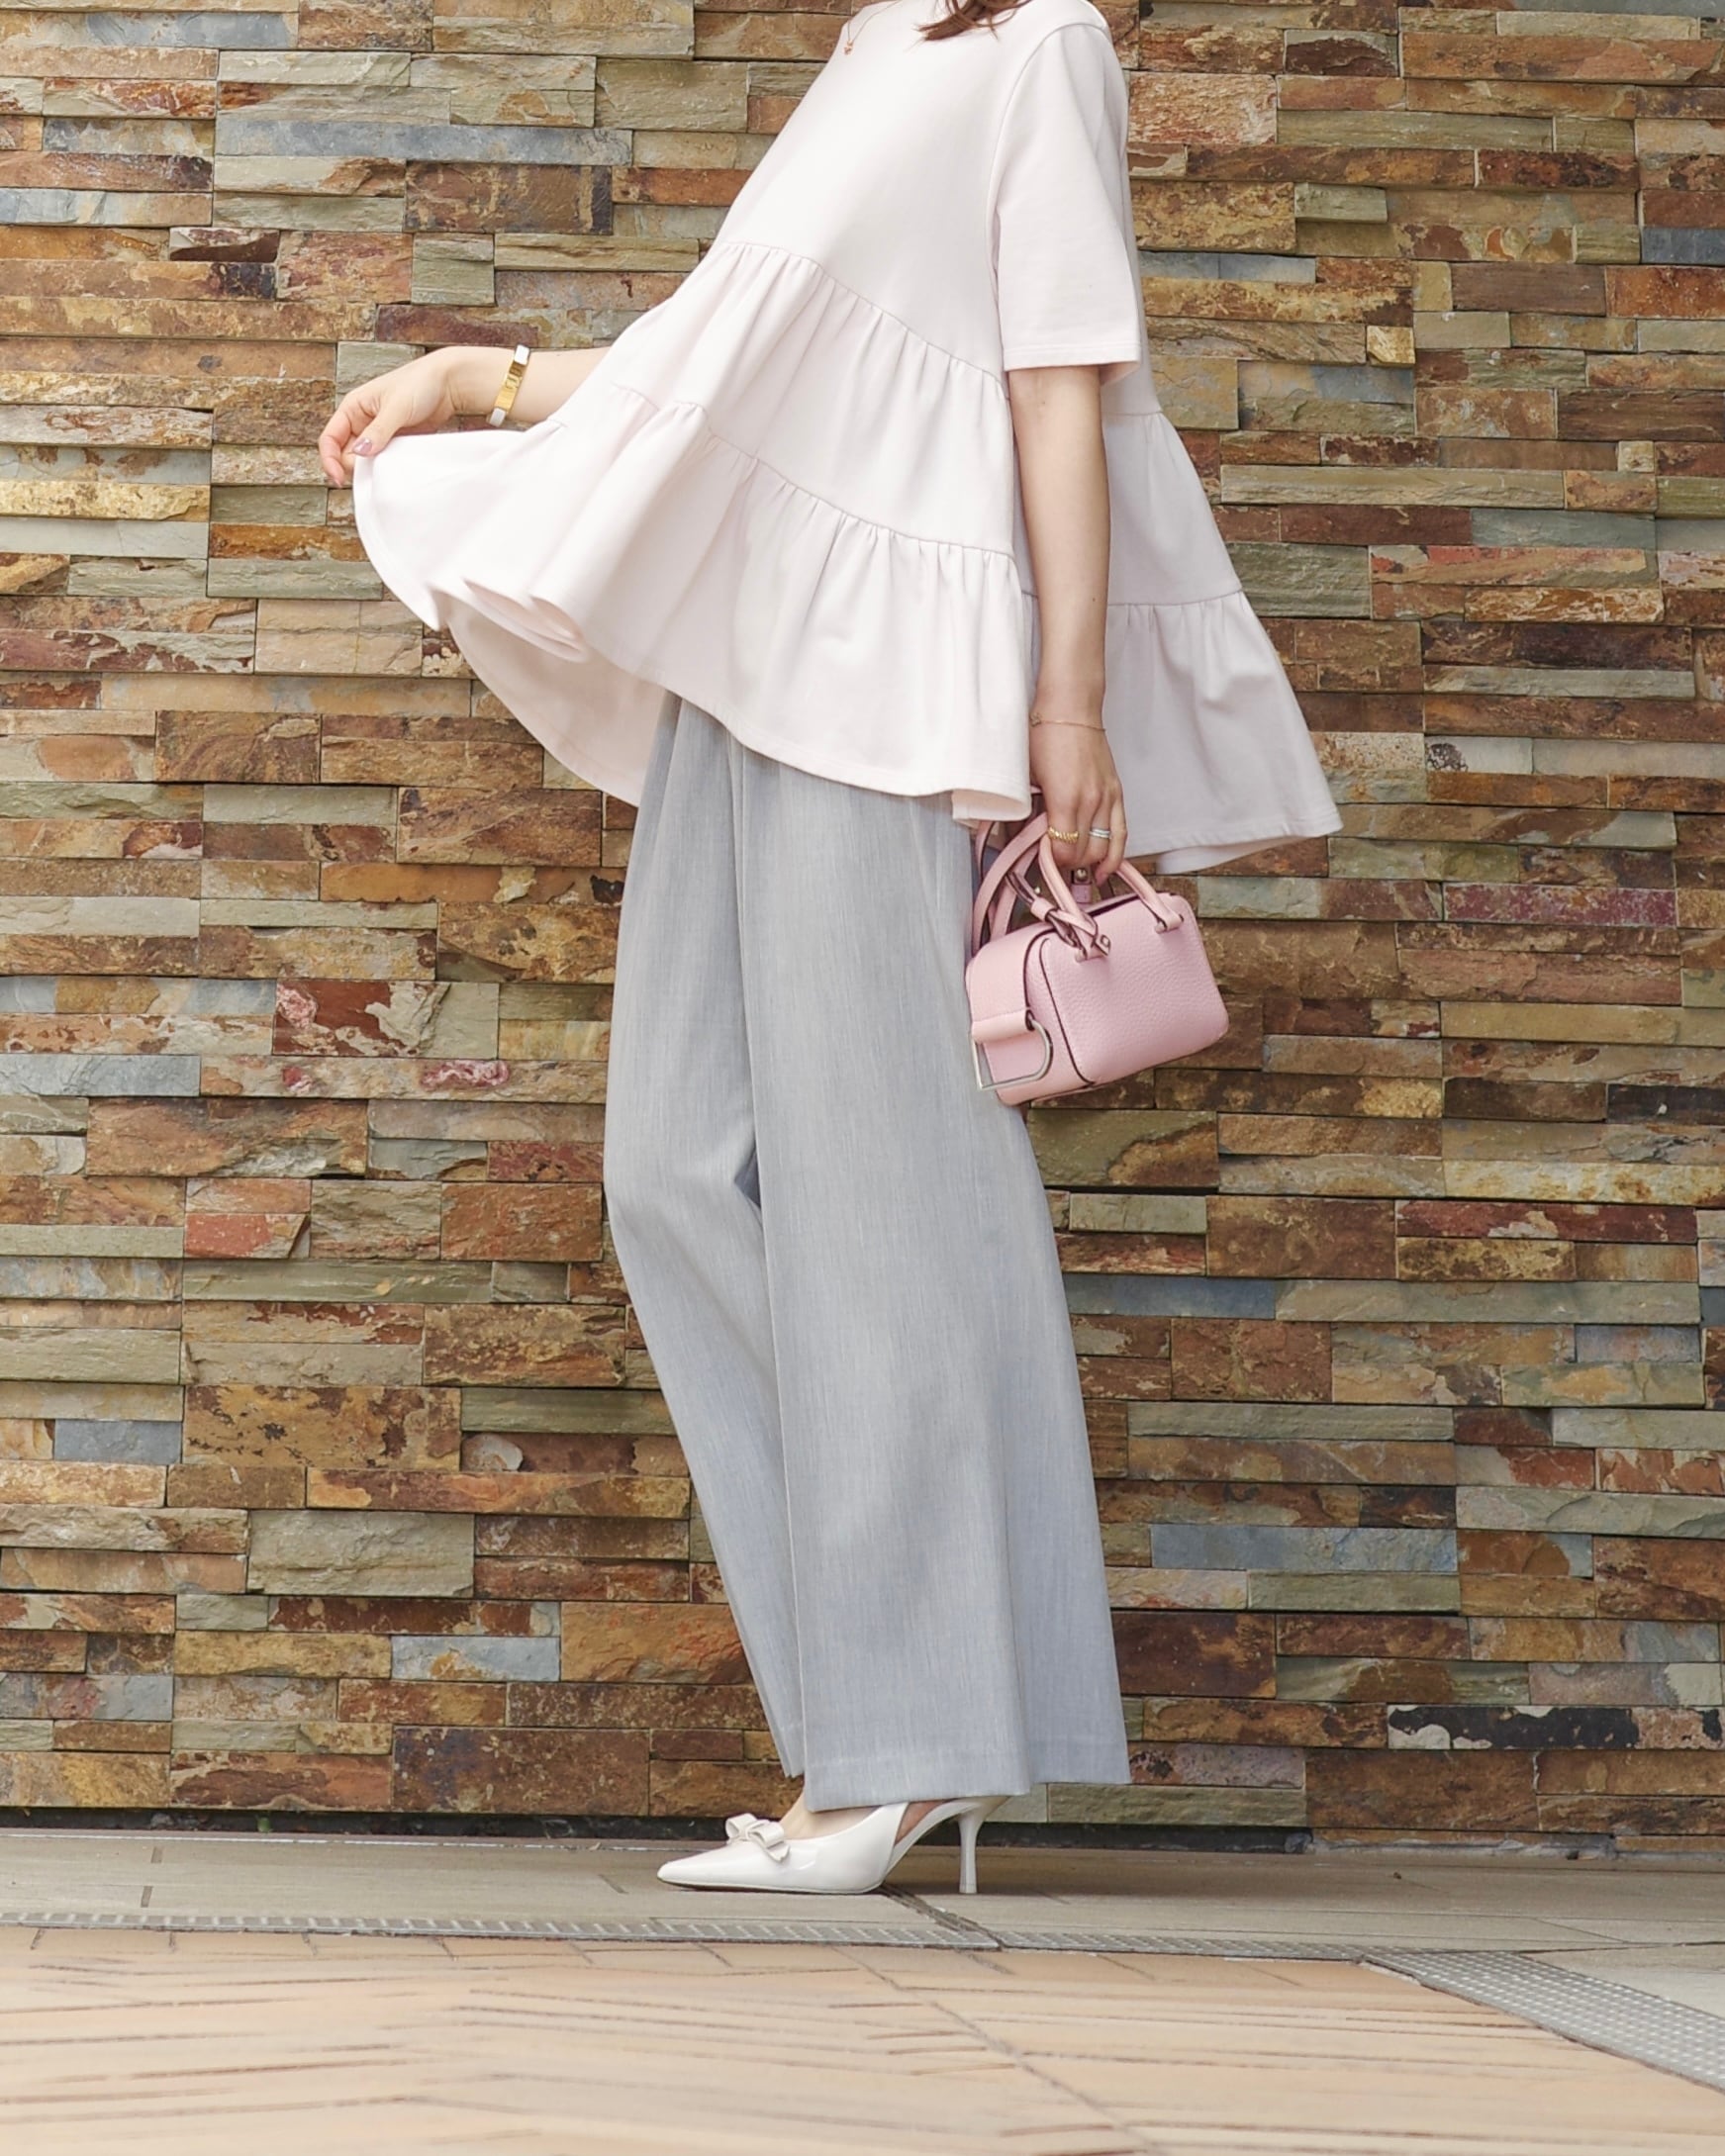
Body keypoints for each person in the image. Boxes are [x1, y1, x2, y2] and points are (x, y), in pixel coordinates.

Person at [320, 0, 1339, 1897]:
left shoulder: (1040, 42)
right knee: (671, 1172)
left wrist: (1067, 707)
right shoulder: (882, 42)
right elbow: (737, 352)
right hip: (752, 668)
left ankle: (901, 1748)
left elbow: (1058, 388)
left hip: (894, 688)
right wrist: (481, 377)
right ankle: (889, 1715)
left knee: (882, 1200)